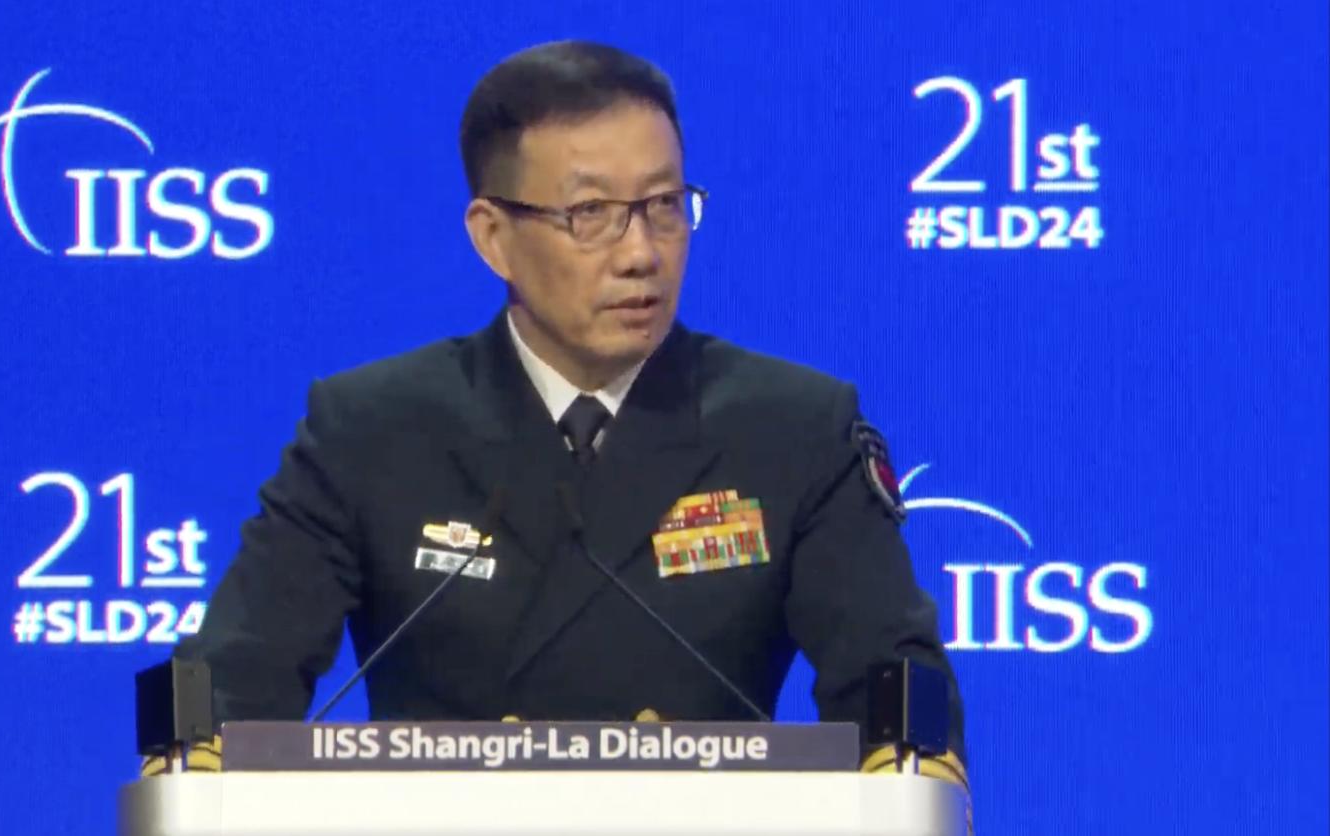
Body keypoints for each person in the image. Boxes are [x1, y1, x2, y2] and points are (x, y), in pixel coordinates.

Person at [157, 39, 967, 790]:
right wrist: (195, 761)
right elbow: (234, 678)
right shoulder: (372, 429)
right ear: (493, 237)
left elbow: (896, 692)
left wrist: (913, 774)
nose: (641, 252)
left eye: (664, 204)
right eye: (591, 215)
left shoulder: (791, 428)